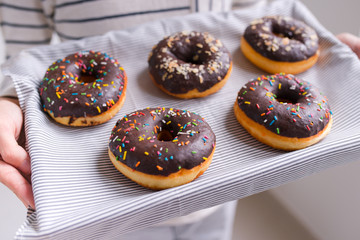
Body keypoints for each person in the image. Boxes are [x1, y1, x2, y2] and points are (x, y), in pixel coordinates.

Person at [1, 0, 360, 239]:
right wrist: (9, 98)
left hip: (217, 197)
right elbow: (25, 62)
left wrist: (331, 51)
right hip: (115, 219)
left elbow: (251, 13)